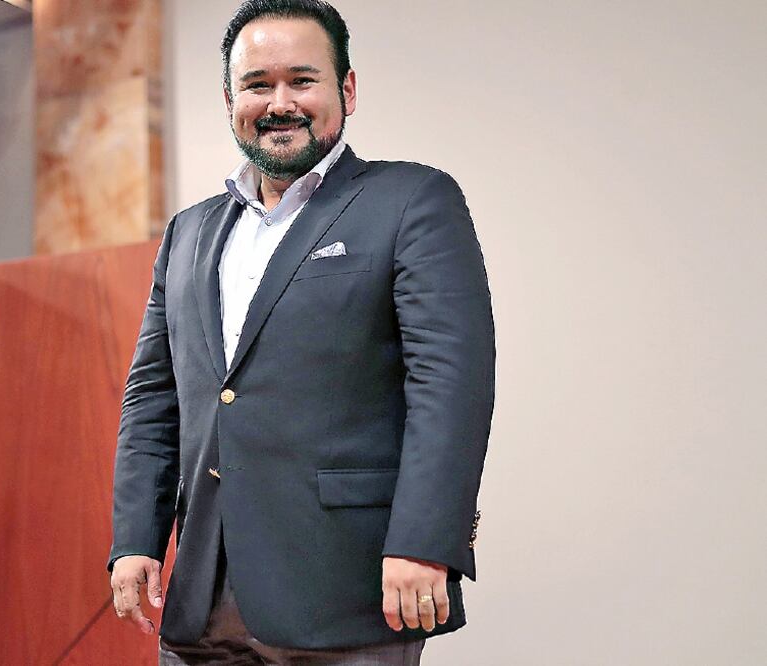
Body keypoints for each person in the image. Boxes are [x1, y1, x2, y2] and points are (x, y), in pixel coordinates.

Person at [108, 1, 495, 663]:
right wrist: (135, 539)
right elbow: (153, 398)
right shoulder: (187, 233)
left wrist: (428, 539)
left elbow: (449, 383)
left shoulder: (412, 200)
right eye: (258, 84)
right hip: (204, 592)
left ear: (346, 89)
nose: (279, 101)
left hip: (347, 585)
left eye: (302, 80)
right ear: (231, 98)